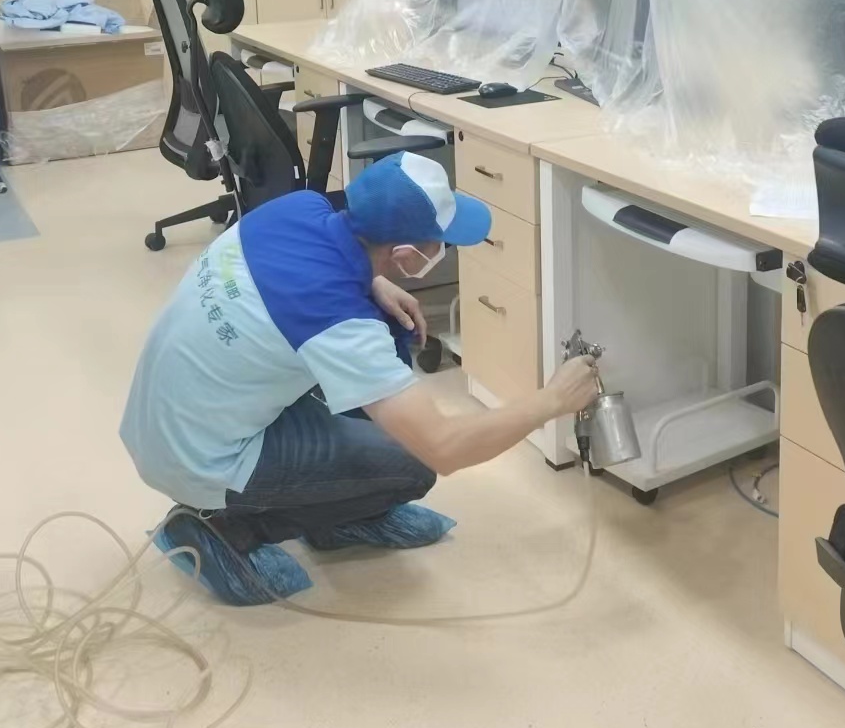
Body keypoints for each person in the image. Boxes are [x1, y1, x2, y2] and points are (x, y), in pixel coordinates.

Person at [120, 151, 600, 606]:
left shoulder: (298, 208)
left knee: (383, 368)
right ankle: (219, 529)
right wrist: (554, 400)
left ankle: (335, 513)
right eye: (444, 244)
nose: (446, 250)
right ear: (406, 255)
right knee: (412, 463)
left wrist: (373, 279)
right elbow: (444, 447)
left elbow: (311, 265)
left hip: (166, 416)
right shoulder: (340, 324)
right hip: (199, 457)